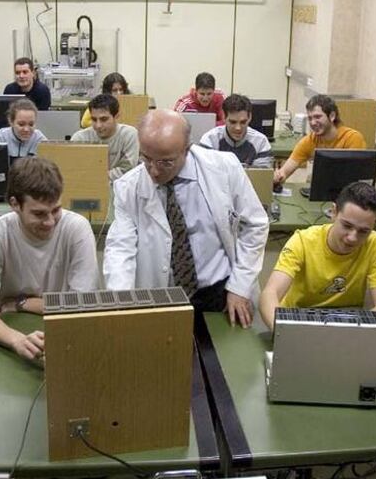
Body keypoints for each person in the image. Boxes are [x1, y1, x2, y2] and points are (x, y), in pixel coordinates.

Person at [103, 109, 269, 327]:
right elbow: (120, 248)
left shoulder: (224, 167)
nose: (153, 171)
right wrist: (121, 301)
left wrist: (240, 286)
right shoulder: (128, 187)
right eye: (146, 158)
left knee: (221, 358)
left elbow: (255, 225)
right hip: (163, 296)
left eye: (166, 162)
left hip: (220, 291)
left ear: (187, 150)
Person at [0, 157, 100, 361]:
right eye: (39, 214)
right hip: (7, 331)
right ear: (15, 204)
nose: (50, 222)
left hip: (63, 330)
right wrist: (17, 340)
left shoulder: (77, 229)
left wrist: (23, 303)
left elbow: (81, 308)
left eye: (56, 210)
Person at [259, 181, 376, 330]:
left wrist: (357, 333)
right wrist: (283, 332)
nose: (352, 238)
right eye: (347, 226)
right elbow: (270, 293)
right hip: (299, 318)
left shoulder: (375, 244)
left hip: (347, 321)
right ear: (333, 212)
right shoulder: (303, 241)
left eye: (363, 231)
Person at [274, 94, 366, 185]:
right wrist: (278, 177)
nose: (313, 123)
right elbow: (285, 171)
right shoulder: (309, 141)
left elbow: (355, 178)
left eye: (318, 117)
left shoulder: (352, 138)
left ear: (332, 116)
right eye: (310, 118)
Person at [71, 93, 139, 182]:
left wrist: (94, 178)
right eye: (94, 120)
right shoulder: (79, 138)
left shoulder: (129, 135)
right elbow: (73, 171)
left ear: (116, 116)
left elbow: (127, 170)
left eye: (104, 119)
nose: (98, 125)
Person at [200, 94, 273, 167]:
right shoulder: (210, 140)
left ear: (250, 117)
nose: (238, 128)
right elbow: (205, 173)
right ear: (224, 117)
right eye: (233, 122)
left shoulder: (260, 142)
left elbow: (262, 176)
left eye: (243, 122)